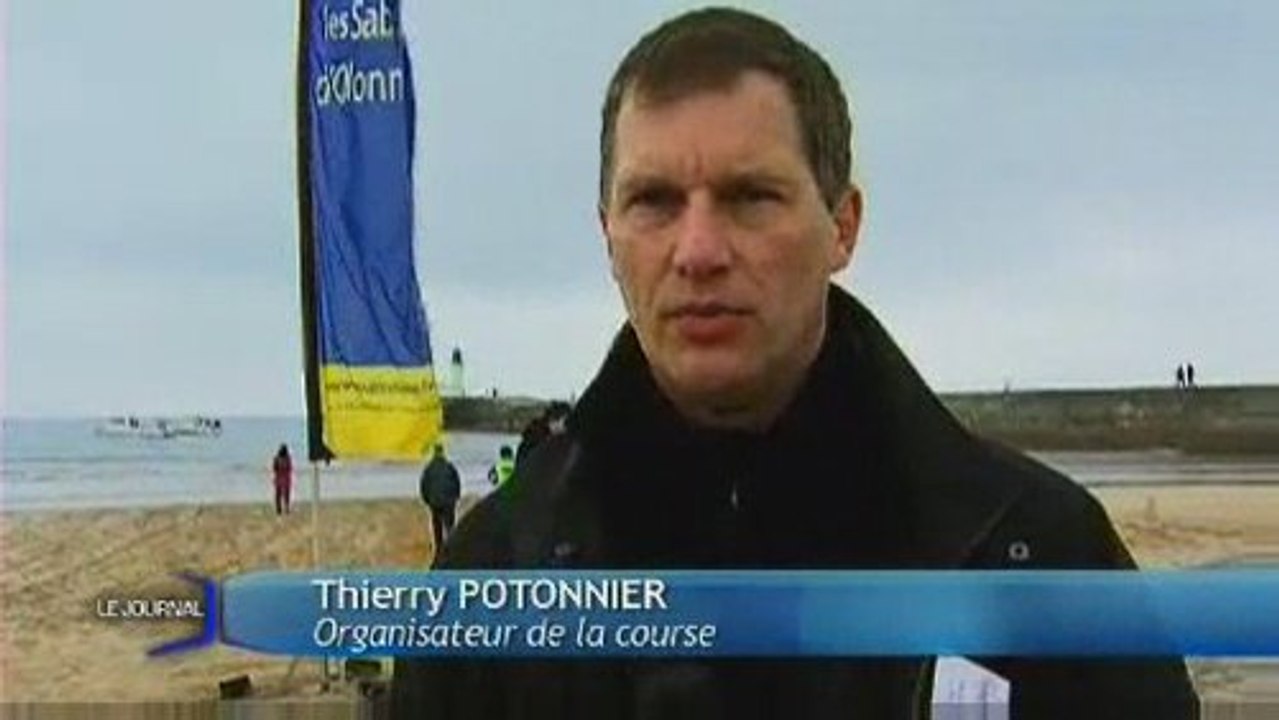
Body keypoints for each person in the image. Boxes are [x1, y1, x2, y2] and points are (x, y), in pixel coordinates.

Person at [392, 8, 1196, 718]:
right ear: (608, 235)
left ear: (841, 226)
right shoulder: (493, 580)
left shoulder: (1037, 552)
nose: (698, 251)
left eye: (749, 197)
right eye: (655, 202)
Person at [418, 443, 462, 556]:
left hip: (435, 501)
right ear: (442, 453)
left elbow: (424, 485)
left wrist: (427, 500)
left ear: (434, 453)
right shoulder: (449, 466)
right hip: (449, 501)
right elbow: (457, 482)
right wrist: (456, 497)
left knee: (437, 525)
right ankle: (452, 546)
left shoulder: (429, 468)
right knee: (450, 524)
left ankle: (439, 547)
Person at [271, 444, 292, 516]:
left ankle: (285, 509)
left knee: (285, 495)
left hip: (284, 479)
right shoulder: (277, 458)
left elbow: (289, 468)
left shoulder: (287, 458)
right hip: (280, 478)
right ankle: (279, 509)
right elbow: (274, 468)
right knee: (279, 495)